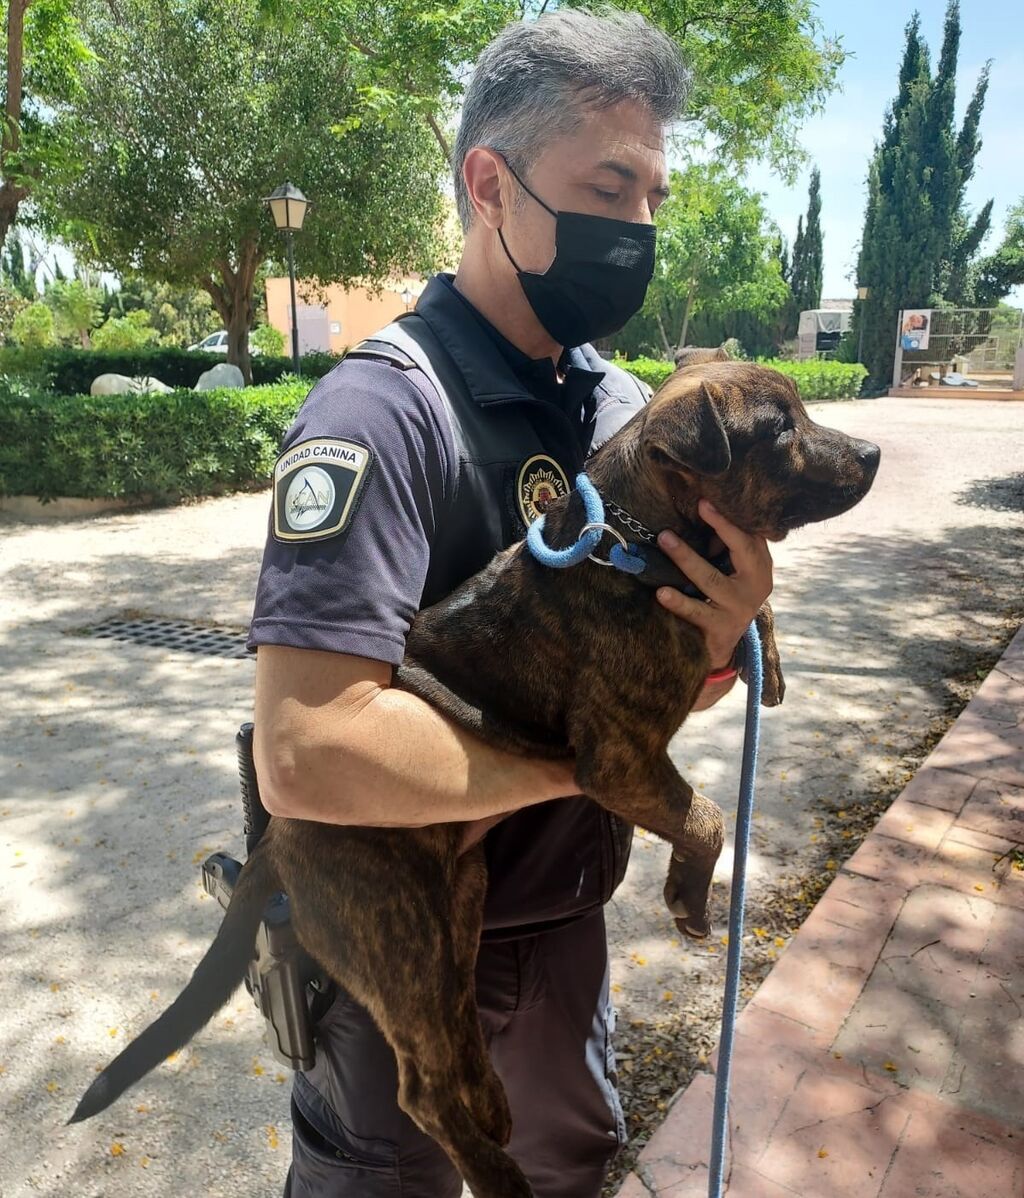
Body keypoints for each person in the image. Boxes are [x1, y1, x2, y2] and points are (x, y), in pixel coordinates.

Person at [247, 9, 773, 1197]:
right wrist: (588, 765)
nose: (638, 229)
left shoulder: (627, 412)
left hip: (566, 941)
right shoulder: (380, 415)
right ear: (490, 185)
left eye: (653, 197)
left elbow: (655, 686)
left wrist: (722, 633)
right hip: (405, 957)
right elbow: (308, 748)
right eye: (608, 187)